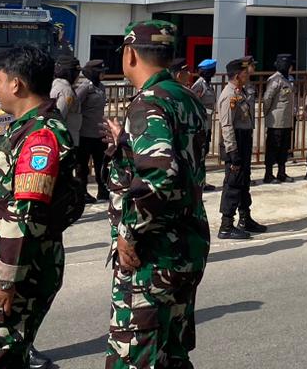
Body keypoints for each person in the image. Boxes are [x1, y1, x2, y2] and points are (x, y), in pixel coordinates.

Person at [0, 44, 77, 369]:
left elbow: (27, 214)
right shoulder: (25, 128)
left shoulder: (40, 136)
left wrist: (5, 280)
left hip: (13, 276)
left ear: (16, 84)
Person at [103, 20, 210, 369]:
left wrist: (129, 233)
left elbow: (160, 175)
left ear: (130, 55)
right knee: (173, 353)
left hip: (154, 254)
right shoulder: (186, 98)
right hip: (186, 246)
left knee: (136, 356)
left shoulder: (148, 103)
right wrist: (126, 143)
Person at [218, 59, 265, 240]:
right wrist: (233, 152)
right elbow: (227, 126)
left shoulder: (241, 92)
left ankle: (245, 219)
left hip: (243, 140)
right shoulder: (229, 95)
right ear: (238, 75)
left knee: (244, 181)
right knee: (233, 183)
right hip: (234, 143)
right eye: (245, 73)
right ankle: (226, 225)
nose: (248, 75)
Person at [76, 60, 109, 203]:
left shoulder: (101, 87)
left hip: (99, 133)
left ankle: (103, 190)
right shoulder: (85, 87)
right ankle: (82, 192)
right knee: (82, 166)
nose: (104, 74)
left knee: (101, 163)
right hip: (85, 133)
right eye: (101, 71)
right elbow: (75, 105)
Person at [261, 54, 295, 184]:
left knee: (284, 148)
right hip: (276, 121)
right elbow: (267, 98)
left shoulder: (288, 79)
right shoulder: (275, 80)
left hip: (286, 120)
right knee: (272, 148)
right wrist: (268, 114)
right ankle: (268, 174)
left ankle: (281, 172)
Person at [50, 59, 78, 143]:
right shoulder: (66, 90)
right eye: (76, 73)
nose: (78, 76)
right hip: (65, 138)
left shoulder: (58, 85)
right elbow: (59, 116)